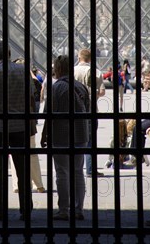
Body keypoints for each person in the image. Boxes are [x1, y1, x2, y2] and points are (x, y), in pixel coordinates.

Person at [0, 41, 34, 221]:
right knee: (22, 170)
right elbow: (31, 95)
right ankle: (26, 208)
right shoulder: (22, 70)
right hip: (20, 125)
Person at [41, 54, 89, 221]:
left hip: (61, 135)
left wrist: (44, 134)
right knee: (78, 172)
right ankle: (79, 209)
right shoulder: (81, 87)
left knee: (62, 172)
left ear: (59, 68)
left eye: (55, 67)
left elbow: (49, 113)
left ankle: (63, 210)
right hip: (81, 134)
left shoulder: (56, 88)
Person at [10, 58, 45, 194]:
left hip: (13, 122)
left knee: (15, 155)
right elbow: (37, 94)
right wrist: (31, 74)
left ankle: (17, 184)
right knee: (32, 153)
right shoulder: (29, 81)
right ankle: (38, 184)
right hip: (28, 123)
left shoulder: (10, 81)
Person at [74, 48, 105, 177]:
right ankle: (90, 169)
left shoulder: (72, 71)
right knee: (91, 140)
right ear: (91, 58)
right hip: (90, 109)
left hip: (75, 109)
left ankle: (75, 168)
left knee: (75, 140)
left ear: (79, 57)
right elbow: (102, 92)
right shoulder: (96, 72)